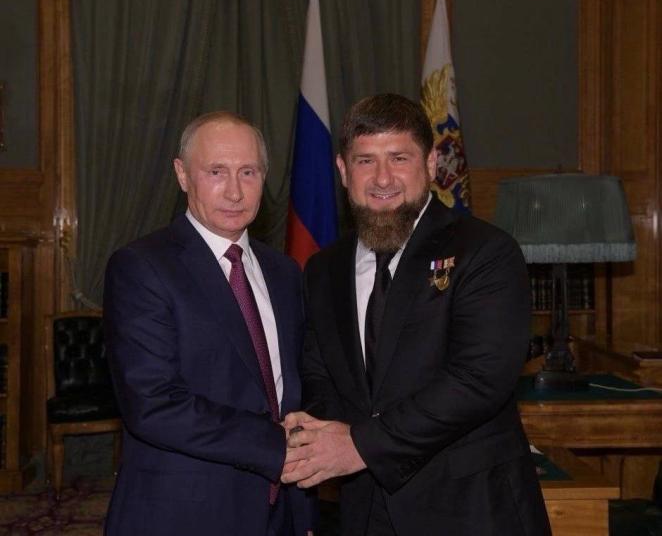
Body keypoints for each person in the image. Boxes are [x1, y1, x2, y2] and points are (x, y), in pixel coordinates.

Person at [282, 94, 551, 535]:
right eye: (365, 161)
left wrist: (359, 445)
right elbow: (318, 373)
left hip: (471, 511)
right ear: (343, 170)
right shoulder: (322, 269)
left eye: (399, 158)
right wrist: (323, 436)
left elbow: (478, 380)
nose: (382, 178)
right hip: (363, 510)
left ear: (429, 164)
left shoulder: (485, 251)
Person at [104, 111, 313, 536]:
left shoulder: (285, 273)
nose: (234, 191)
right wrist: (277, 446)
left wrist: (304, 513)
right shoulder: (142, 267)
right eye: (216, 172)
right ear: (182, 175)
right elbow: (152, 403)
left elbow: (291, 393)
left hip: (279, 512)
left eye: (248, 172)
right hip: (185, 513)